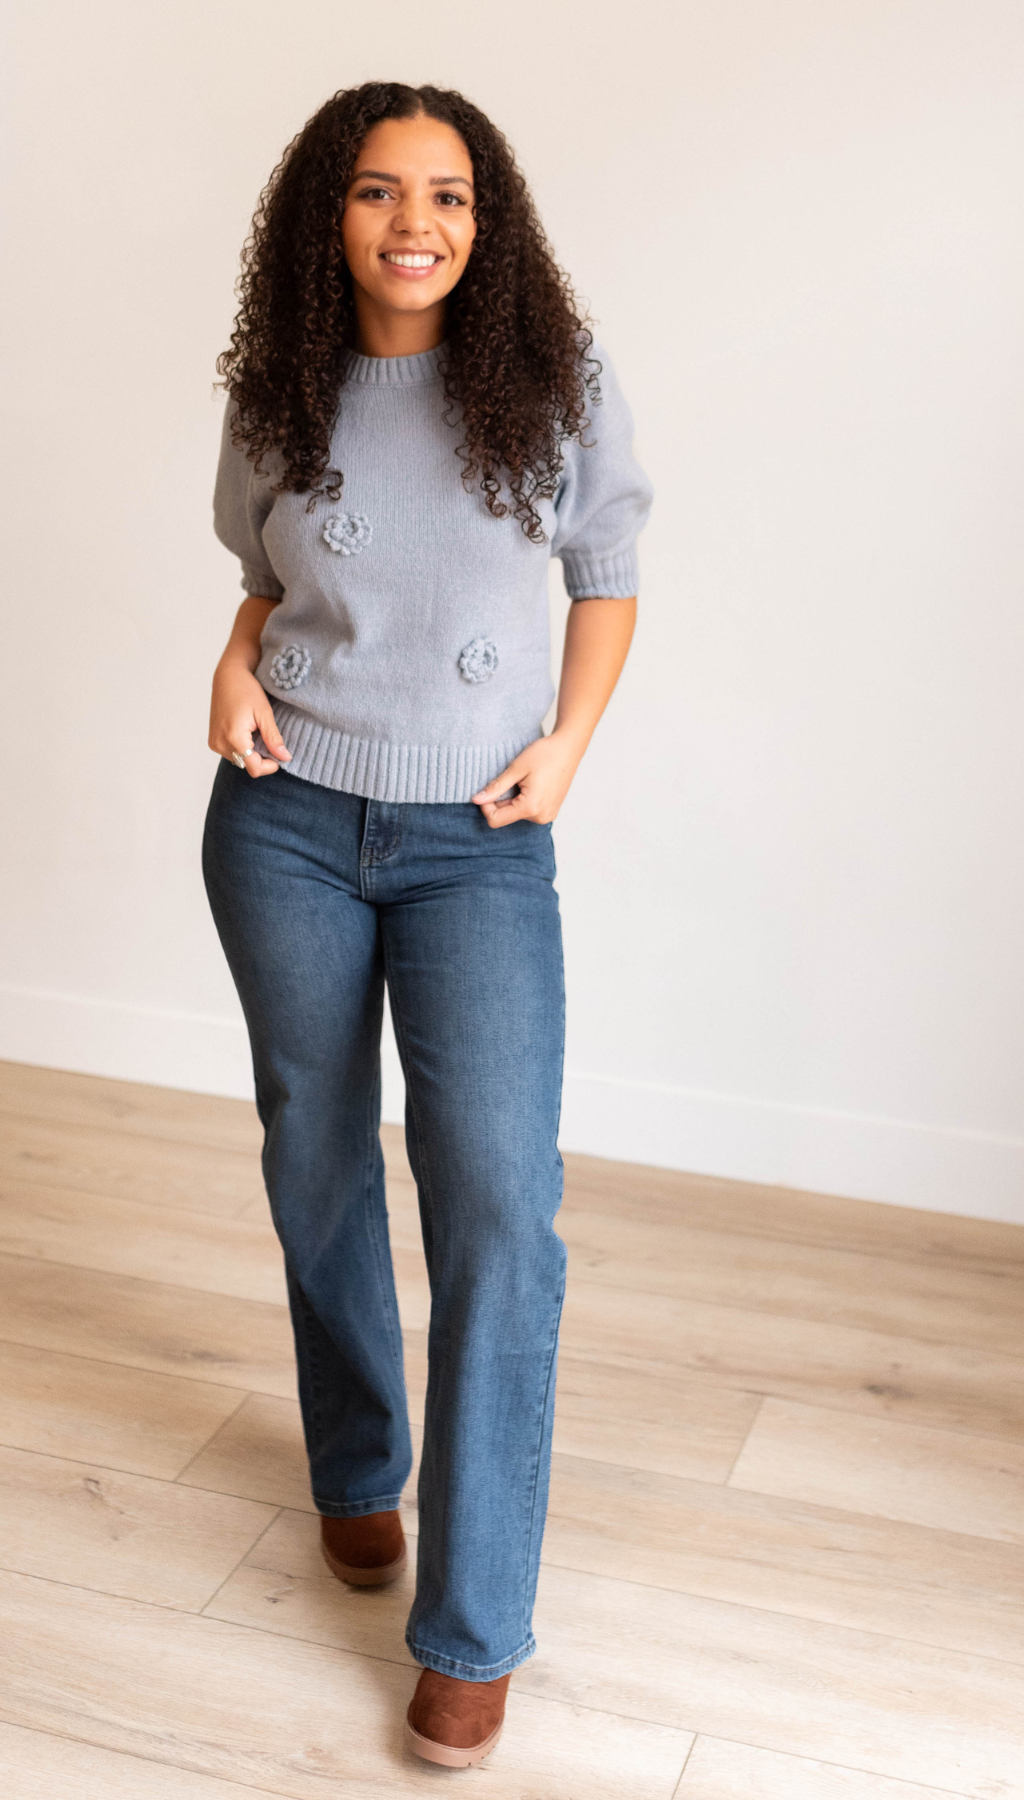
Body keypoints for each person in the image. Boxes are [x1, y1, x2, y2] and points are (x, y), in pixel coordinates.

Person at [202, 81, 651, 1767]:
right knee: (315, 1148)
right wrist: (235, 657)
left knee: (495, 1204)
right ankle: (352, 1464)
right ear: (327, 213)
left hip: (476, 841)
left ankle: (474, 1627)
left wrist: (569, 743)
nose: (415, 223)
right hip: (286, 821)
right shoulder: (279, 385)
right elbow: (264, 575)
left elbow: (605, 569)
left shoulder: (555, 380)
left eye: (449, 195)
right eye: (380, 191)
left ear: (489, 217)